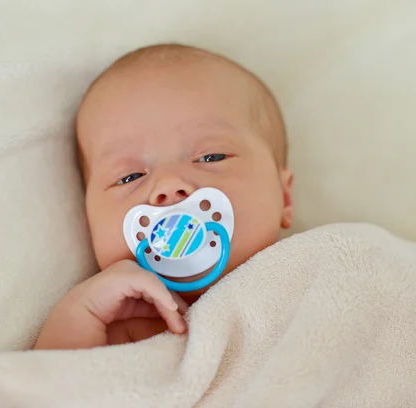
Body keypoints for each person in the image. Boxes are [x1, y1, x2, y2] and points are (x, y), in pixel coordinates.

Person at [35, 43, 294, 349]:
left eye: (211, 157)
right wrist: (77, 319)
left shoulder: (320, 272)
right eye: (129, 177)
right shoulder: (112, 334)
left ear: (284, 197)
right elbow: (42, 389)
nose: (169, 186)